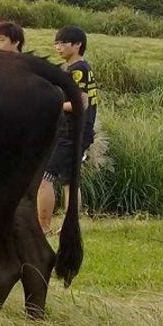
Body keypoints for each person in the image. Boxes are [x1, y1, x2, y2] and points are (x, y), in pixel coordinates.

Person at [37, 25, 98, 235]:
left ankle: (43, 227)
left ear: (78, 44)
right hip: (80, 133)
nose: (58, 47)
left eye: (63, 43)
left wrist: (50, 104)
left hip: (71, 133)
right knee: (69, 181)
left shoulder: (78, 70)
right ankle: (68, 227)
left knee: (44, 178)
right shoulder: (81, 68)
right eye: (56, 43)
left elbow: (81, 103)